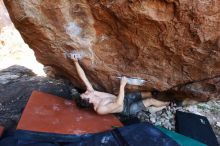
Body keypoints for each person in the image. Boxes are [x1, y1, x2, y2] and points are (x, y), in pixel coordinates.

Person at [73, 57, 169, 116]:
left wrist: (75, 62)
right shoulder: (100, 109)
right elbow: (118, 104)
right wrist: (122, 85)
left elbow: (83, 78)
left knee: (150, 94)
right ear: (88, 100)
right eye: (85, 94)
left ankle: (158, 103)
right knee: (150, 101)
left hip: (125, 98)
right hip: (127, 108)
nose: (86, 92)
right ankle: (166, 104)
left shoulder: (92, 93)